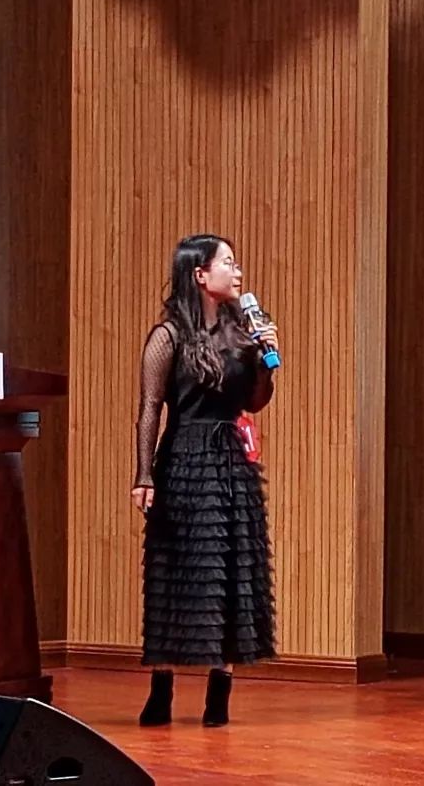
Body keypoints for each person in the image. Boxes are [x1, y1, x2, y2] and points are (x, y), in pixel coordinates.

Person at [130, 233, 279, 728]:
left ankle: (220, 692)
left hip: (232, 462)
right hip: (184, 461)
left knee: (231, 572)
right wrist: (144, 474)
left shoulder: (243, 334)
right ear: (199, 274)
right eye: (228, 263)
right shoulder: (169, 336)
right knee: (177, 573)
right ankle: (161, 689)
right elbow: (150, 407)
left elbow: (255, 401)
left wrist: (266, 361)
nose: (237, 272)